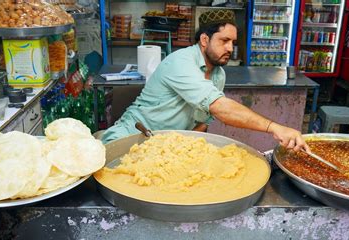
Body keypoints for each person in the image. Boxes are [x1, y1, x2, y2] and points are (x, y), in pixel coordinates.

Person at [102, 10, 310, 152]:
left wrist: (180, 150)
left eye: (233, 43)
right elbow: (220, 108)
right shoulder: (181, 62)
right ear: (204, 40)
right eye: (224, 41)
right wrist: (275, 127)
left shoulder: (218, 74)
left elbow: (202, 123)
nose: (230, 48)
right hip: (132, 138)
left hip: (163, 145)